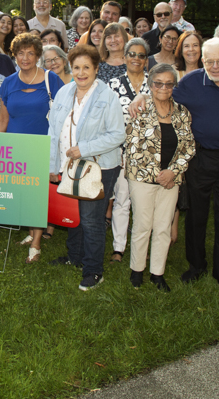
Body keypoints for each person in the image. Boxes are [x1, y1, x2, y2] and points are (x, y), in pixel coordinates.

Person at [131, 37, 219, 295]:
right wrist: (142, 96)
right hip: (200, 158)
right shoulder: (191, 82)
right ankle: (196, 266)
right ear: (202, 61)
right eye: (209, 61)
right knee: (197, 216)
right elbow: (163, 91)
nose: (215, 66)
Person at [47, 44, 126, 290]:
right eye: (77, 67)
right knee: (74, 212)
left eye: (86, 68)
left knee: (91, 220)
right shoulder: (64, 92)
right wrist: (52, 164)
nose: (81, 73)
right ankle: (75, 257)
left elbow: (117, 135)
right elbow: (54, 131)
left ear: (96, 69)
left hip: (99, 166)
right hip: (69, 166)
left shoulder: (107, 97)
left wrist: (85, 148)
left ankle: (93, 271)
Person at [124, 63, 195, 291]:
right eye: (158, 83)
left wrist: (173, 171)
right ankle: (137, 270)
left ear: (174, 85)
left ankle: (157, 273)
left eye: (168, 83)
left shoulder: (182, 112)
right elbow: (132, 147)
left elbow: (189, 146)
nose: (163, 87)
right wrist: (157, 175)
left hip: (171, 178)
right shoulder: (139, 108)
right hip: (142, 178)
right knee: (143, 225)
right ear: (150, 84)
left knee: (163, 226)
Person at [0, 33, 66, 262]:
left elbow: (63, 115)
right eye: (20, 53)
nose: (25, 57)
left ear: (38, 55)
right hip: (16, 147)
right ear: (14, 55)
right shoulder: (8, 82)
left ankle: (36, 244)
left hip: (42, 146)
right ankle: (31, 232)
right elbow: (2, 117)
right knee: (23, 193)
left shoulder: (51, 79)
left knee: (38, 194)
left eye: (30, 53)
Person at [107, 38, 151, 263]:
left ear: (146, 60)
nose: (136, 58)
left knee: (144, 203)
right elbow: (107, 119)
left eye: (141, 55)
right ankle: (118, 247)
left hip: (150, 153)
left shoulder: (156, 84)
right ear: (124, 58)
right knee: (122, 199)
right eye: (131, 54)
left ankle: (141, 246)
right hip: (122, 151)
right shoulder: (113, 85)